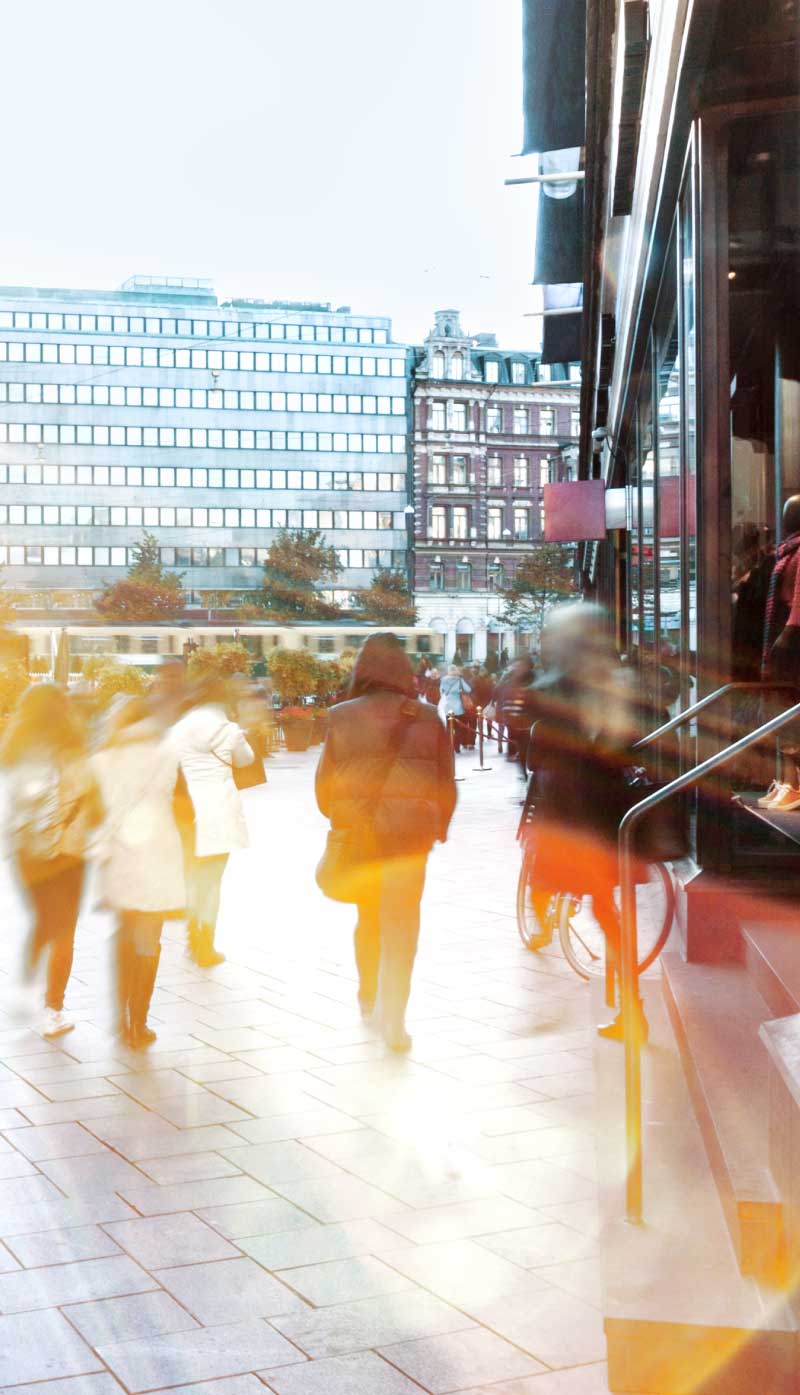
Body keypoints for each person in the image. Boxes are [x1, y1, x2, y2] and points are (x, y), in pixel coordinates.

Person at [316, 633, 457, 1052]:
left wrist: (345, 817)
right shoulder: (429, 717)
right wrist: (436, 828)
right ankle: (394, 1021)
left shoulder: (340, 716)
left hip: (362, 836)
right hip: (410, 841)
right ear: (403, 669)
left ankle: (367, 997)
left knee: (368, 917)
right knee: (403, 926)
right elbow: (446, 783)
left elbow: (324, 790)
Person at [527, 603, 649, 1043]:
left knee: (597, 905)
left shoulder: (562, 685)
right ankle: (630, 1008)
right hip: (614, 814)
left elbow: (542, 743)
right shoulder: (619, 681)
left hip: (578, 816)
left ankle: (632, 1013)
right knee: (611, 912)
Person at [1, 683, 101, 1037]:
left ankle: (26, 996)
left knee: (42, 922)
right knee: (63, 931)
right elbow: (95, 805)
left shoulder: (14, 752)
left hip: (26, 855)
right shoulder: (74, 752)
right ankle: (52, 1010)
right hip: (67, 854)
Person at [91, 697, 184, 1047]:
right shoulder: (167, 755)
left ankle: (119, 1017)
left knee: (123, 935)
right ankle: (138, 1023)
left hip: (118, 858)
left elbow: (95, 813)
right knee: (148, 940)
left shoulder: (99, 760)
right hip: (158, 856)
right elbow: (179, 802)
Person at [170, 676, 254, 967]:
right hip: (218, 812)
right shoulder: (228, 729)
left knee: (193, 876)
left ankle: (192, 936)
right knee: (212, 881)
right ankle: (205, 944)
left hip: (188, 811)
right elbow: (246, 760)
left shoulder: (178, 728)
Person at [438, 663, 472, 752]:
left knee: (449, 728)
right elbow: (468, 689)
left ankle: (449, 746)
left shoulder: (443, 680)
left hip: (448, 707)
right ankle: (456, 747)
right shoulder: (459, 680)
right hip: (458, 708)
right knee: (458, 729)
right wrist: (460, 686)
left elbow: (442, 691)